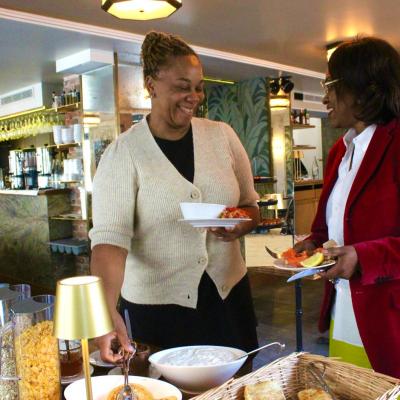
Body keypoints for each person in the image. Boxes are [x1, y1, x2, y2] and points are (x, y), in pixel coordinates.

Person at [89, 30, 260, 363]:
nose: (194, 97)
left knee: (241, 382)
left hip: (229, 300)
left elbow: (250, 207)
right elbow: (109, 243)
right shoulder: (123, 153)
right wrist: (106, 313)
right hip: (160, 314)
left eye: (198, 87)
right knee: (167, 387)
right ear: (151, 85)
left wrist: (240, 223)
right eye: (183, 87)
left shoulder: (222, 137)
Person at [295, 36, 400, 378]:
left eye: (330, 85)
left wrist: (362, 257)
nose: (325, 97)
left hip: (389, 319)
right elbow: (330, 226)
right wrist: (313, 242)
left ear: (364, 88)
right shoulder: (340, 151)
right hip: (344, 309)